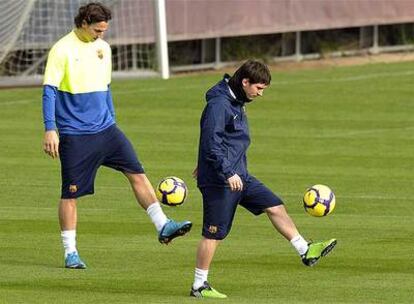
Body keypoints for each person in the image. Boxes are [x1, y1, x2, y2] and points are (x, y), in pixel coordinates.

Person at [42, 2, 192, 269]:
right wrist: (50, 128)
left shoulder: (103, 48)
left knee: (137, 172)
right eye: (98, 30)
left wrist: (112, 117)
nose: (101, 35)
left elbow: (106, 86)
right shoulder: (61, 50)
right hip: (76, 134)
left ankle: (163, 225)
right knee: (70, 194)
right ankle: (70, 253)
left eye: (104, 30)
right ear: (84, 23)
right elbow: (49, 91)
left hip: (108, 130)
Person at [190, 60, 337, 298]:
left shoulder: (237, 100)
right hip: (222, 180)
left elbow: (220, 142)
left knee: (275, 205)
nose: (260, 94)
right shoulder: (219, 104)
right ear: (245, 82)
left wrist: (216, 164)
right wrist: (224, 170)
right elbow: (211, 142)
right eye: (258, 88)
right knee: (213, 233)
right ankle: (199, 285)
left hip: (239, 175)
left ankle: (305, 250)